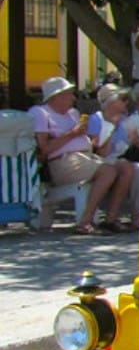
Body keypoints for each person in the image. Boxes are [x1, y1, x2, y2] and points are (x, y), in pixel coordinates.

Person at [29, 76, 130, 235]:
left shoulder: (73, 113)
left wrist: (101, 134)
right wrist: (73, 134)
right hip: (62, 162)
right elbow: (44, 149)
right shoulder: (41, 113)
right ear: (57, 96)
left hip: (86, 156)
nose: (73, 98)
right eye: (69, 94)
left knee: (126, 168)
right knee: (108, 171)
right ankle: (85, 222)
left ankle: (111, 218)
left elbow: (87, 141)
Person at [85, 84, 139, 231]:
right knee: (126, 167)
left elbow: (125, 148)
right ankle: (111, 218)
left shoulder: (126, 120)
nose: (126, 103)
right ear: (111, 102)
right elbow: (101, 152)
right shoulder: (96, 119)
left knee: (138, 169)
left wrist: (134, 140)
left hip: (117, 160)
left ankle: (137, 215)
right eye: (123, 99)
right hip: (99, 160)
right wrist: (112, 128)